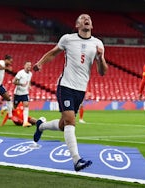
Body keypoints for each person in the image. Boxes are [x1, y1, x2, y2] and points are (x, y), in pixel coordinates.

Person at [32, 13, 108, 171]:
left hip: (81, 90)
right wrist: (40, 63)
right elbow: (53, 53)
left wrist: (101, 58)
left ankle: (41, 126)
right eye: (83, 18)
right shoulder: (67, 39)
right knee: (70, 121)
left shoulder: (98, 43)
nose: (86, 20)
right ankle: (76, 160)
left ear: (92, 25)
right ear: (77, 25)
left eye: (89, 19)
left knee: (63, 124)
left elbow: (102, 72)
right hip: (65, 85)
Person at [12, 61, 33, 127]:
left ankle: (25, 122)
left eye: (30, 65)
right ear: (24, 66)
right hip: (18, 93)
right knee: (14, 107)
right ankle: (8, 110)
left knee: (26, 106)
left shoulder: (30, 74)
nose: (29, 66)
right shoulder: (20, 73)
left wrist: (29, 86)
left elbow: (28, 81)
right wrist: (21, 84)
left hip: (25, 93)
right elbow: (13, 81)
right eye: (27, 65)